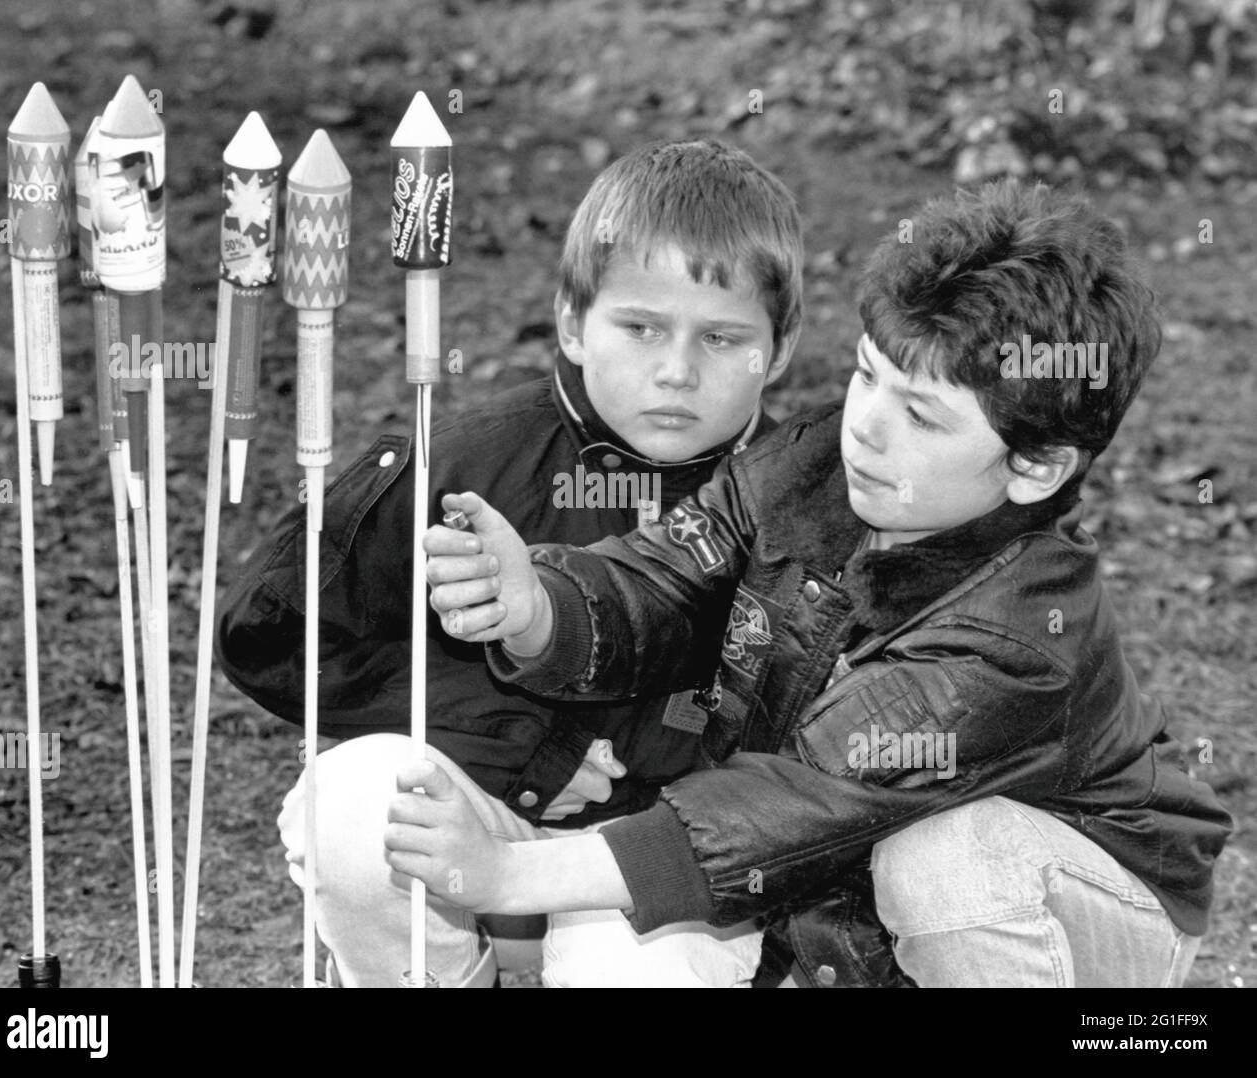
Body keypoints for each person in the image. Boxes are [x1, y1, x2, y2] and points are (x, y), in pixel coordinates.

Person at [403, 179, 1233, 988]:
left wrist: (508, 876)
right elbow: (661, 584)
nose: (864, 427)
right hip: (845, 895)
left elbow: (799, 794)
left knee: (948, 861)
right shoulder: (805, 467)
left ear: (1035, 467)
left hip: (1086, 910)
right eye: (868, 375)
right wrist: (537, 607)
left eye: (921, 415)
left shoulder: (1019, 637)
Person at [215, 137, 806, 986]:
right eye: (639, 327)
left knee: (644, 963)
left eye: (721, 338)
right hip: (482, 824)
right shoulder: (463, 460)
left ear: (778, 350)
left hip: (664, 862)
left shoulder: (805, 501)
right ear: (571, 321)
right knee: (356, 805)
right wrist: (520, 747)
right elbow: (272, 632)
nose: (676, 371)